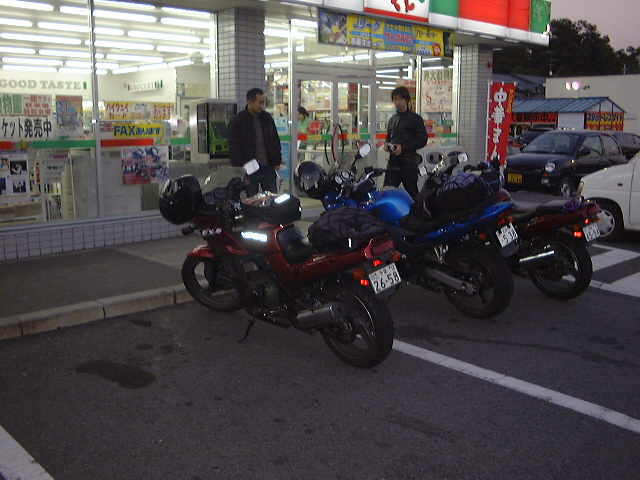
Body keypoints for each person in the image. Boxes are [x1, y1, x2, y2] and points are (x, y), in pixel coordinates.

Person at [229, 88, 282, 195]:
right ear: (250, 102)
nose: (262, 106)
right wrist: (239, 165)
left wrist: (277, 161)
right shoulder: (239, 120)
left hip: (268, 166)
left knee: (271, 196)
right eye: (260, 102)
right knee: (250, 197)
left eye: (263, 102)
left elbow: (275, 140)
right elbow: (234, 145)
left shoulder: (267, 118)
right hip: (249, 167)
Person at [383, 86, 428, 198]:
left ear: (407, 100)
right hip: (393, 163)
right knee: (387, 193)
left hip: (409, 163)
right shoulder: (392, 119)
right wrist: (386, 144)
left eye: (400, 99)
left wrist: (403, 147)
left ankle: (417, 210)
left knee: (412, 195)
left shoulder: (416, 119)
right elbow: (388, 137)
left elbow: (422, 140)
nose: (397, 102)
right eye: (395, 99)